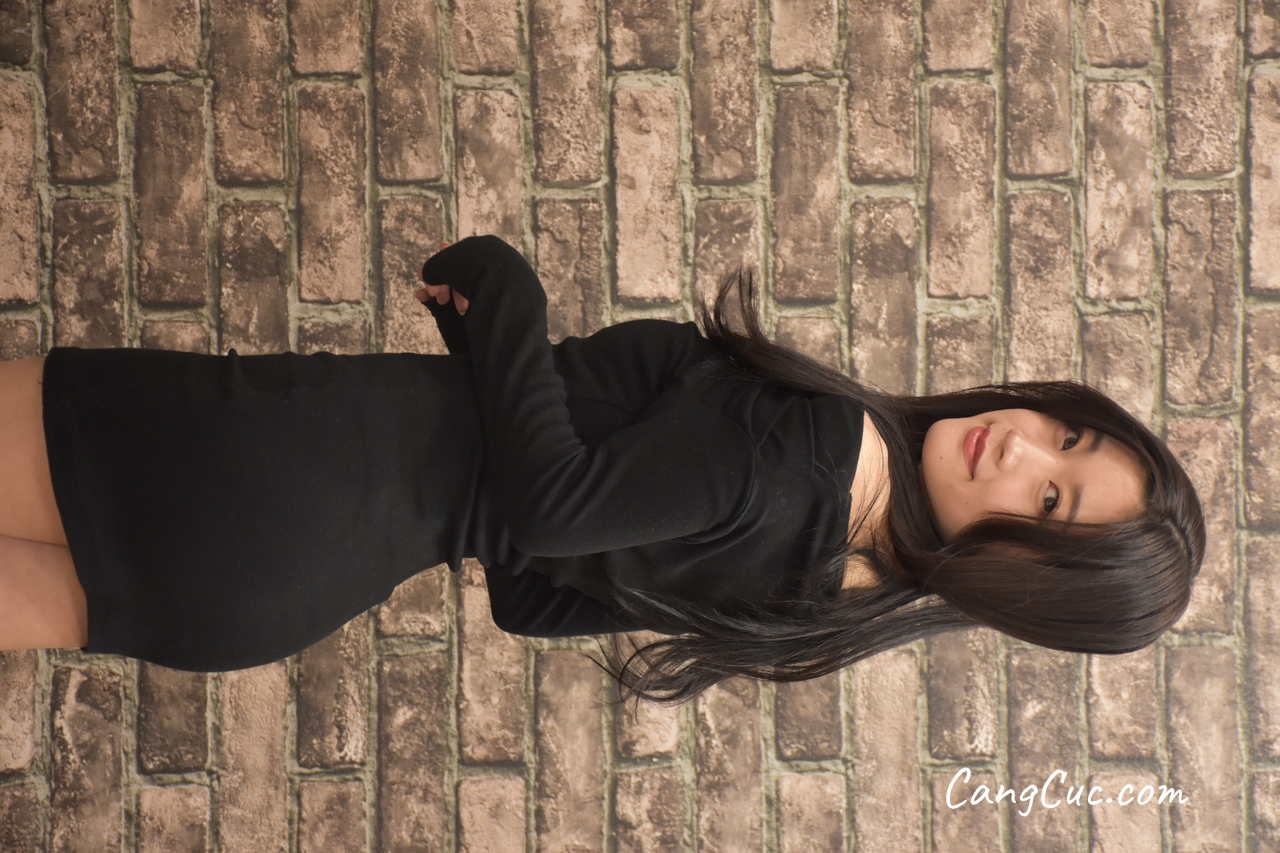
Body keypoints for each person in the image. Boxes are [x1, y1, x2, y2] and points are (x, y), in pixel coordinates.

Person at [0, 235, 1204, 704]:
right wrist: (501, 391)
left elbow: (550, 504)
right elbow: (532, 592)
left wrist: (504, 295)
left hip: (280, 463)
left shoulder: (821, 449)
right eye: (1068, 435)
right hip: (281, 593)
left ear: (1017, 576)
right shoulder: (824, 598)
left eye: (1048, 502)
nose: (1022, 448)